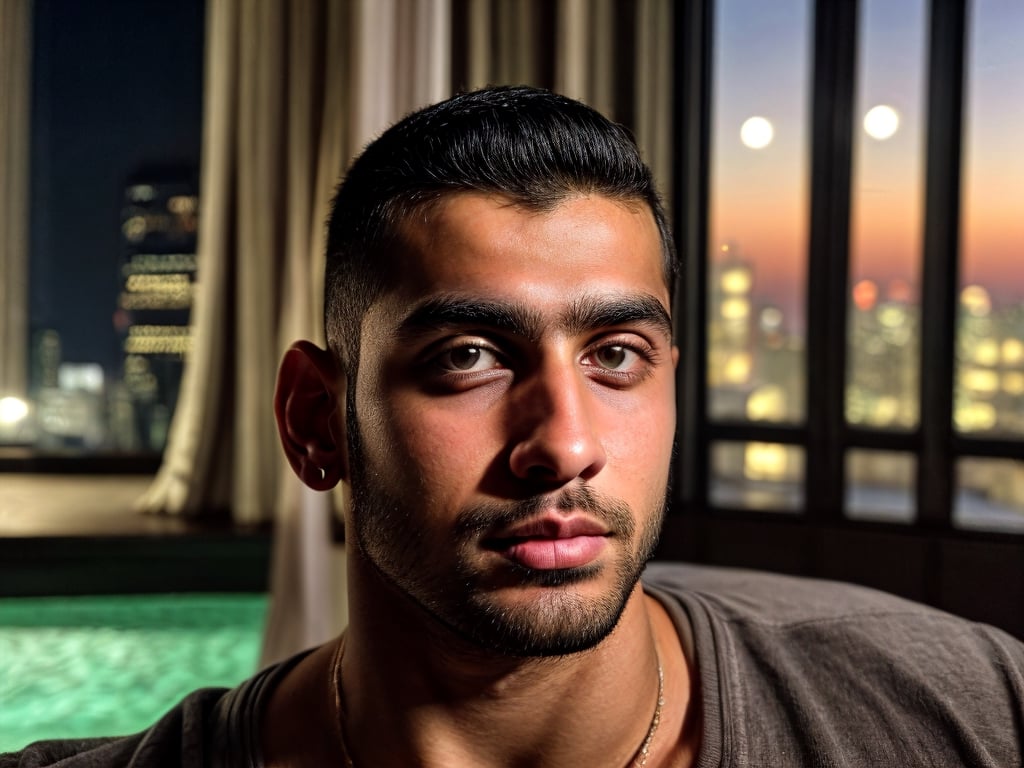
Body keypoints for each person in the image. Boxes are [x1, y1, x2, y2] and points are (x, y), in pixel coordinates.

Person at [3, 85, 1023, 768]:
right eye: (468, 358)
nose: (564, 444)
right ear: (315, 422)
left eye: (616, 356)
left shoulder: (964, 710)